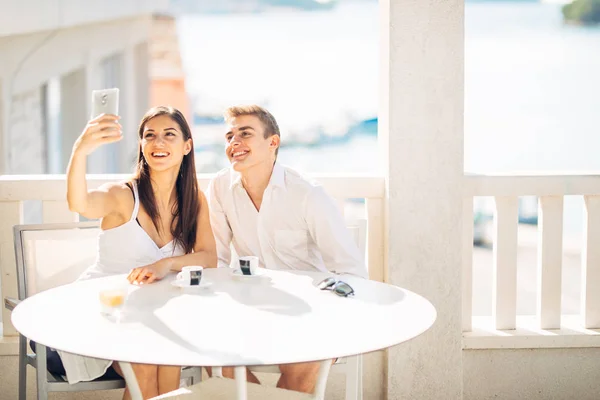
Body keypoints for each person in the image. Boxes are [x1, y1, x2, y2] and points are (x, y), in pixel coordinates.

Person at [207, 105, 367, 394]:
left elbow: (351, 271)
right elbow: (215, 260)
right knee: (213, 355)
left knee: (301, 368)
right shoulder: (219, 187)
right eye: (229, 136)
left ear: (273, 143)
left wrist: (327, 314)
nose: (234, 143)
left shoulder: (307, 194)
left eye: (245, 134)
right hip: (252, 309)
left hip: (311, 312)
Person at [62, 106, 217, 399]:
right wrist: (80, 150)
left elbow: (209, 257)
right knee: (145, 365)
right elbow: (78, 204)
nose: (158, 143)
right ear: (142, 145)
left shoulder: (194, 200)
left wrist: (166, 264)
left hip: (156, 313)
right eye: (150, 136)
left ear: (187, 146)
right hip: (104, 309)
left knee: (167, 363)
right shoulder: (122, 195)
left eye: (169, 135)